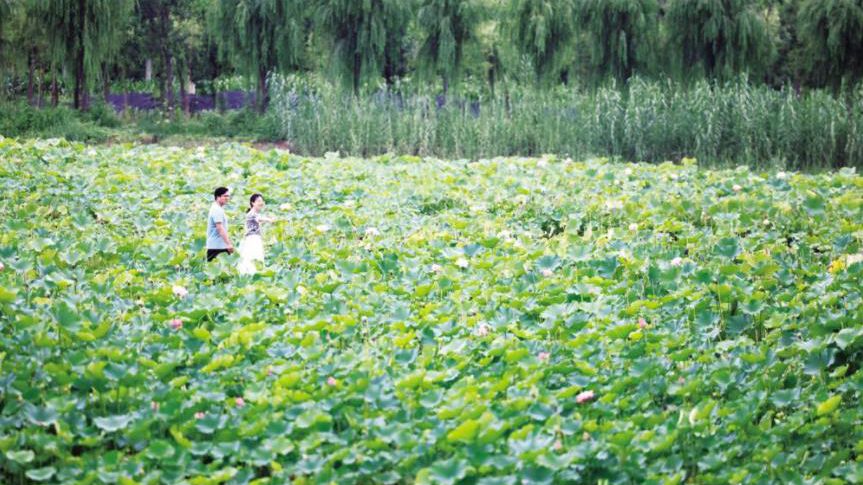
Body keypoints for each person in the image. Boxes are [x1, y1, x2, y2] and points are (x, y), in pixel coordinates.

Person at [237, 193, 276, 274]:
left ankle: (254, 274)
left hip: (255, 238)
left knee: (255, 257)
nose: (261, 203)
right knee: (252, 257)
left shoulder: (255, 213)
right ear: (253, 203)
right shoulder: (252, 213)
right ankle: (250, 274)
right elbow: (259, 219)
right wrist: (269, 220)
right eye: (258, 201)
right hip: (252, 238)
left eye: (262, 201)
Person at [206, 187, 234, 261]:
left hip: (218, 245)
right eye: (225, 196)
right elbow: (220, 228)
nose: (227, 198)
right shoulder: (217, 209)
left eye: (228, 196)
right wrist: (228, 244)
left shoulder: (217, 208)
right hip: (217, 247)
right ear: (218, 197)